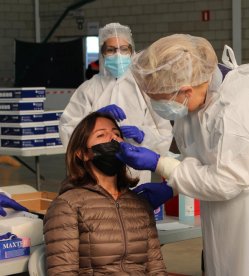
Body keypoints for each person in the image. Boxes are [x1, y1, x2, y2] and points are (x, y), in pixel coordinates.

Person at [116, 34, 249, 275]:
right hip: (229, 208)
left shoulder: (238, 105)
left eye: (161, 101)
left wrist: (162, 165)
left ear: (186, 90)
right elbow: (207, 160)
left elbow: (226, 179)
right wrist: (172, 186)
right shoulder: (194, 103)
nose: (161, 108)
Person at [43, 112, 168, 275]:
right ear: (83, 153)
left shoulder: (140, 205)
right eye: (101, 135)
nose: (113, 138)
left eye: (117, 134)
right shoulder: (67, 205)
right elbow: (62, 272)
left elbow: (156, 268)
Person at [59, 22, 173, 183]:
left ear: (132, 52)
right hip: (96, 172)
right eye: (111, 50)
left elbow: (164, 133)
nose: (118, 54)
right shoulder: (89, 89)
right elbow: (68, 128)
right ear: (103, 53)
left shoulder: (144, 89)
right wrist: (96, 117)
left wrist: (143, 136)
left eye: (123, 49)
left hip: (136, 173)